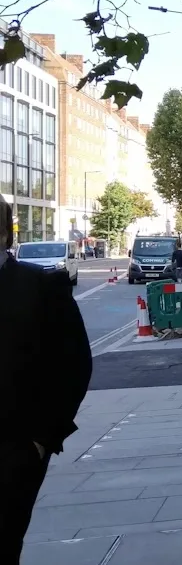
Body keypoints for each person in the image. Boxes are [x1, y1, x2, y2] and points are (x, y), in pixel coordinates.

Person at [0, 194, 92, 560]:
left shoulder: (41, 287)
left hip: (13, 446)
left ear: (5, 234)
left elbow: (73, 364)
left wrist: (41, 439)